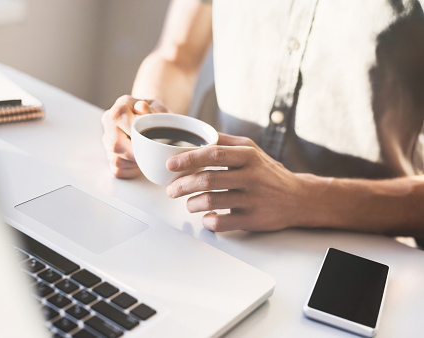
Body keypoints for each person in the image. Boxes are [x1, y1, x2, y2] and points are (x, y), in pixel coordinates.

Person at [101, 0, 424, 245]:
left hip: (353, 256)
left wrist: (302, 197)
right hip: (204, 227)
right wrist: (144, 126)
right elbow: (177, 54)